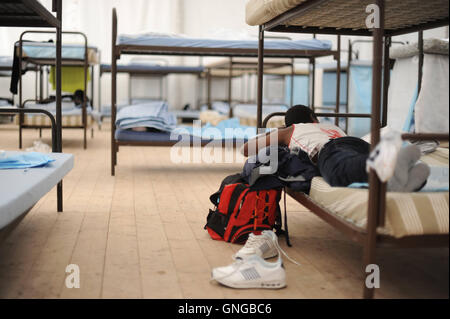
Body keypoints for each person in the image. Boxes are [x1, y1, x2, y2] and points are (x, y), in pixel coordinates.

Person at [241, 105, 429, 192]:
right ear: (314, 119)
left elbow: (246, 149)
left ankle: (389, 162)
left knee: (338, 172)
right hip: (359, 143)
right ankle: (404, 176)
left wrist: (279, 134)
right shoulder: (331, 126)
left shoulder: (291, 130)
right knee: (358, 162)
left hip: (330, 150)